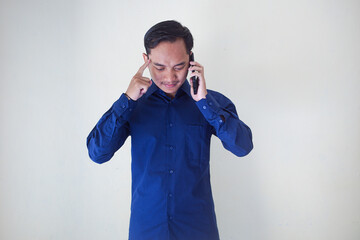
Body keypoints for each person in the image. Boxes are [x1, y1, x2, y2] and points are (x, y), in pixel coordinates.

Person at [86, 20, 253, 240]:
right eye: (159, 67)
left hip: (197, 229)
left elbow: (242, 146)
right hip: (147, 229)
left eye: (178, 66)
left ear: (191, 59)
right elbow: (97, 153)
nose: (169, 77)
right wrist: (126, 100)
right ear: (146, 61)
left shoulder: (209, 102)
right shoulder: (133, 105)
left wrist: (204, 102)